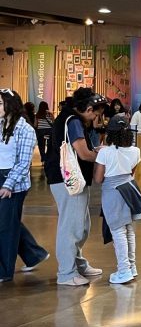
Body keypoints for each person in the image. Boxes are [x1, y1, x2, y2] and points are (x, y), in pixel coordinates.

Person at [43, 88, 107, 286]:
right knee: (72, 227)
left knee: (82, 225)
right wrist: (104, 156)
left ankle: (78, 264)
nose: (96, 118)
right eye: (96, 113)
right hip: (67, 180)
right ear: (88, 109)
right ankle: (66, 273)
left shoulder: (69, 118)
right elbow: (83, 154)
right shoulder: (74, 122)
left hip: (66, 179)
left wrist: (94, 150)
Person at [0, 89, 49, 282]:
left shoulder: (25, 129)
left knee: (6, 226)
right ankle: (34, 254)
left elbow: (23, 162)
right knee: (9, 221)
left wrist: (8, 184)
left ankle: (4, 271)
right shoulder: (1, 124)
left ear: (11, 105)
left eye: (1, 104)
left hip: (14, 182)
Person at [93, 115, 141, 284]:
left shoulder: (105, 152)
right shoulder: (136, 150)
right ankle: (132, 267)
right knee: (128, 229)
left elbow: (98, 179)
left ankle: (123, 270)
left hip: (112, 192)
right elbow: (131, 172)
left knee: (118, 231)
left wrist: (101, 155)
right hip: (130, 189)